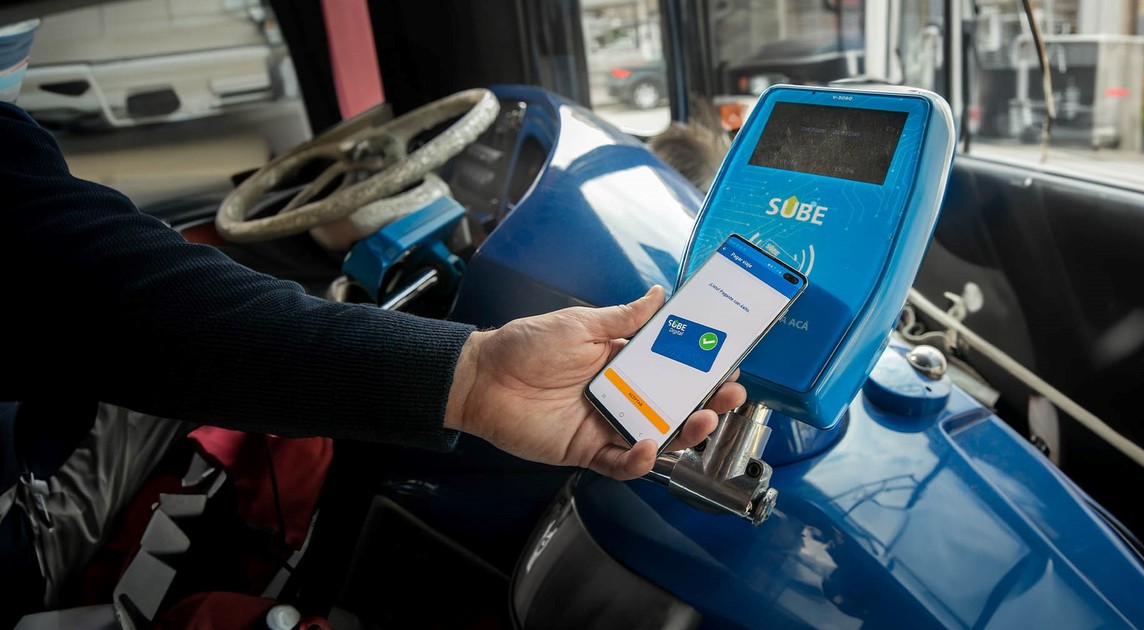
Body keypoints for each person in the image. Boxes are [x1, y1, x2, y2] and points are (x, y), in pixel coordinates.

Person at [0, 18, 744, 622]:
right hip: (21, 530)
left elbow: (95, 282)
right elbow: (102, 290)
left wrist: (468, 376)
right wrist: (463, 377)